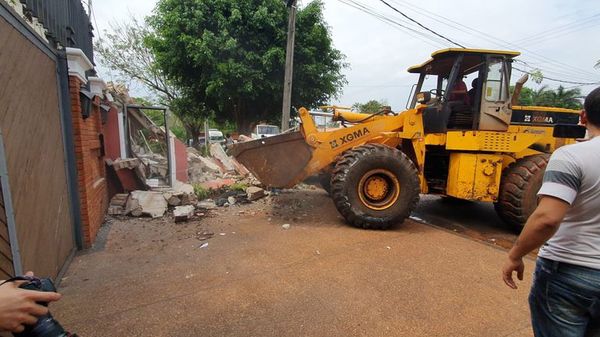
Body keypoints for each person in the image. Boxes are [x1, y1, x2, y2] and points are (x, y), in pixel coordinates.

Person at [502, 86, 600, 337]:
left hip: (569, 271)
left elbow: (547, 218)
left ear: (583, 116)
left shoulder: (571, 156)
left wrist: (515, 255)